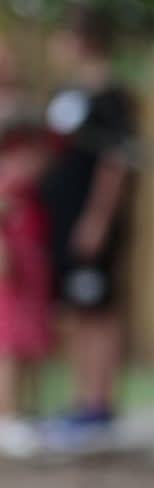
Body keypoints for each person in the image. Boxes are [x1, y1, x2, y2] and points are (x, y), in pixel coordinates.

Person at [37, 10, 136, 449]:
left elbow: (116, 162)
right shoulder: (66, 95)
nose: (55, 47)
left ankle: (99, 404)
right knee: (75, 311)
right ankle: (81, 402)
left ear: (83, 41)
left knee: (97, 309)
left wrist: (97, 219)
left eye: (61, 37)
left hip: (91, 226)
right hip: (61, 221)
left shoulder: (111, 97)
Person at [0, 124, 54, 458]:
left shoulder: (30, 192)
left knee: (31, 347)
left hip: (33, 278)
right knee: (11, 349)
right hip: (13, 282)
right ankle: (7, 417)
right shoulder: (7, 187)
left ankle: (27, 413)